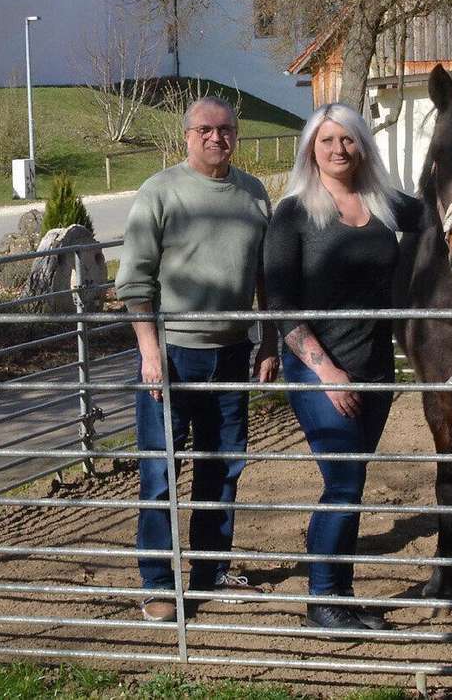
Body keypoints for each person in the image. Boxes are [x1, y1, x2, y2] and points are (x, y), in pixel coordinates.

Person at [115, 96, 279, 623]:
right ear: (188, 135)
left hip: (231, 353)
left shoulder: (253, 194)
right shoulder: (160, 192)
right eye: (205, 129)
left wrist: (270, 342)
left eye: (226, 129)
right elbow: (135, 280)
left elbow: (265, 281)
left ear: (237, 134)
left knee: (223, 465)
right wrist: (148, 351)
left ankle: (211, 569)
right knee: (161, 472)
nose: (216, 137)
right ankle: (159, 583)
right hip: (172, 354)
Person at [263, 102, 419, 631]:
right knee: (343, 483)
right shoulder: (293, 214)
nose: (337, 150)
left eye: (348, 140)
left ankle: (342, 594)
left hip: (376, 368)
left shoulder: (383, 203)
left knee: (351, 479)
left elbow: (446, 211)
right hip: (319, 370)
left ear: (361, 146)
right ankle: (324, 598)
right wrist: (326, 372)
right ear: (311, 147)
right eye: (327, 140)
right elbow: (282, 306)